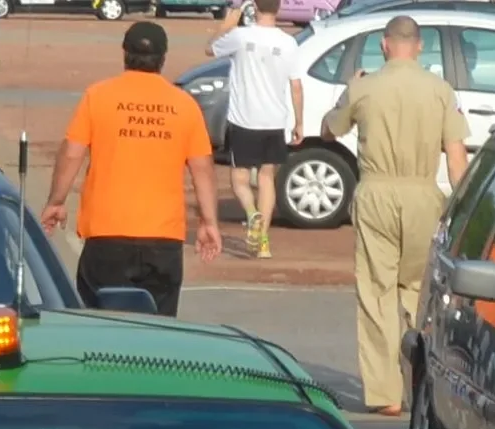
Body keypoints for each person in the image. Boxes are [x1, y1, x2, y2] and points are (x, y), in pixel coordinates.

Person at [320, 16, 469, 416]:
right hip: (424, 194)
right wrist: (467, 209)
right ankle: (417, 381)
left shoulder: (364, 86)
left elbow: (329, 130)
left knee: (376, 292)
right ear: (419, 47)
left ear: (385, 46)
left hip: (377, 191)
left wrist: (349, 91)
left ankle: (385, 392)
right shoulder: (441, 91)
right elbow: (457, 159)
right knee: (418, 293)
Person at [40, 21, 223, 317]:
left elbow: (72, 154)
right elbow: (202, 168)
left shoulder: (98, 96)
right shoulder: (183, 104)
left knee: (102, 328)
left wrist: (56, 202)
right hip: (163, 238)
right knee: (157, 332)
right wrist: (208, 222)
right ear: (163, 58)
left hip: (106, 233)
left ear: (125, 53)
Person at [207, 0, 303, 259]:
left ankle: (252, 214)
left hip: (244, 120)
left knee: (239, 179)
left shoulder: (240, 36)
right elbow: (296, 86)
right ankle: (263, 242)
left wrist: (227, 22)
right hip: (274, 120)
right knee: (266, 178)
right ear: (279, 8)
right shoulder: (289, 42)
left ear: (255, 8)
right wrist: (299, 122)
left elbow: (211, 49)